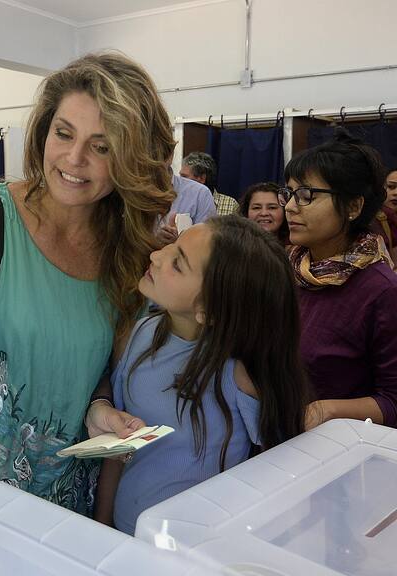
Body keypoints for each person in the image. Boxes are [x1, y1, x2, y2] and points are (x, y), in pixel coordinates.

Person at [0, 52, 178, 523]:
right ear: (44, 130)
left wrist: (99, 406)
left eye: (101, 147)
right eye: (64, 133)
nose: (74, 159)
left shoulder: (127, 252)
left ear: (129, 159)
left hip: (66, 510)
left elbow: (99, 365)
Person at [93, 216, 309, 534]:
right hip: (127, 533)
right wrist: (101, 525)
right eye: (172, 246)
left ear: (209, 309)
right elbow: (120, 447)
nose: (155, 255)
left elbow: (279, 474)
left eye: (177, 263)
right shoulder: (137, 333)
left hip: (198, 549)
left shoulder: (240, 374)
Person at [281, 131, 397, 429]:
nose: (290, 207)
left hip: (334, 452)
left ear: (353, 207)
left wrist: (326, 411)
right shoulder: (288, 266)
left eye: (307, 195)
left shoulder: (380, 290)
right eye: (289, 193)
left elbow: (392, 400)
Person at [157, 168, 216, 245]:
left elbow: (206, 247)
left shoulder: (200, 194)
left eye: (184, 175)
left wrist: (178, 244)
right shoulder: (136, 192)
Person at [180, 152, 240, 216]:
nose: (180, 180)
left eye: (184, 176)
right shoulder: (178, 202)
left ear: (202, 178)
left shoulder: (230, 205)